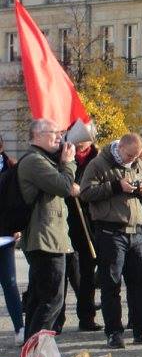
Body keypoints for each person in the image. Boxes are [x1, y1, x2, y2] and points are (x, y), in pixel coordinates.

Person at [80, 132, 142, 349]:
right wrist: (116, 186)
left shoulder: (138, 164)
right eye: (129, 155)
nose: (132, 160)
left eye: (136, 157)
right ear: (120, 148)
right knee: (112, 283)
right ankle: (114, 332)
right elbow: (85, 192)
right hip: (110, 231)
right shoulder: (99, 164)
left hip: (136, 231)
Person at [18, 119, 79, 342]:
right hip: (45, 239)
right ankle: (33, 356)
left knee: (39, 300)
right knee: (51, 301)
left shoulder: (43, 159)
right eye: (54, 133)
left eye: (60, 132)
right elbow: (63, 186)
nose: (59, 137)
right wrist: (69, 163)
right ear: (37, 136)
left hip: (49, 238)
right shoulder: (35, 161)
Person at [62, 138, 100, 333]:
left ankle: (87, 316)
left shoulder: (99, 157)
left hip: (89, 222)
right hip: (65, 220)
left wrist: (82, 192)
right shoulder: (63, 155)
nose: (82, 141)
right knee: (64, 270)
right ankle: (57, 320)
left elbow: (103, 187)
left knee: (87, 270)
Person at [0, 137, 24, 340]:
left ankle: (19, 328)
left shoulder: (12, 168)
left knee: (9, 281)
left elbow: (19, 200)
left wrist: (18, 226)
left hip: (4, 234)